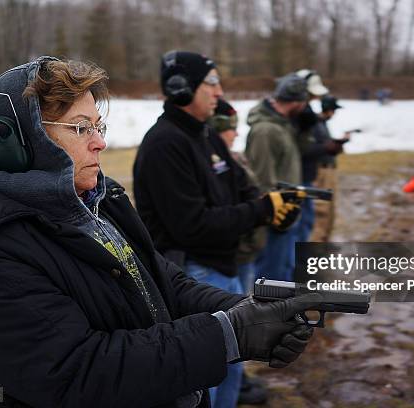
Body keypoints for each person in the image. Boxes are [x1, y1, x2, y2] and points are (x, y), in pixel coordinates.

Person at [0, 56, 320, 408]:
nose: (100, 142)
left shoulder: (98, 202)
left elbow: (161, 280)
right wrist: (226, 335)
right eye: (81, 127)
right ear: (13, 144)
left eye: (98, 126)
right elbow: (77, 373)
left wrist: (244, 309)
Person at [132, 51, 304, 408]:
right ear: (181, 88)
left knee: (233, 368)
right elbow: (193, 226)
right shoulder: (165, 144)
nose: (219, 91)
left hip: (225, 267)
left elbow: (242, 185)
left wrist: (273, 207)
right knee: (208, 377)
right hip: (195, 273)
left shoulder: (205, 134)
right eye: (211, 82)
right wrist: (261, 209)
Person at [208, 98, 269, 405]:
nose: (235, 134)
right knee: (226, 336)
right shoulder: (206, 159)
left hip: (240, 255)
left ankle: (239, 382)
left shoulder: (230, 158)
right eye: (230, 129)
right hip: (228, 258)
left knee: (239, 331)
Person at [245, 73, 309, 283]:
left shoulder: (282, 125)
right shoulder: (266, 130)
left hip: (287, 214)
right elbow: (262, 180)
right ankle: (270, 316)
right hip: (275, 220)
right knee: (272, 281)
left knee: (284, 271)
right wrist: (276, 214)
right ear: (297, 102)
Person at [310, 95, 350, 242]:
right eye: (334, 110)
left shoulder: (322, 124)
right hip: (322, 170)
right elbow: (316, 148)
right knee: (322, 209)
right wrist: (334, 146)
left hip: (329, 169)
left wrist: (339, 142)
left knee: (329, 210)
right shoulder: (316, 124)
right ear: (329, 110)